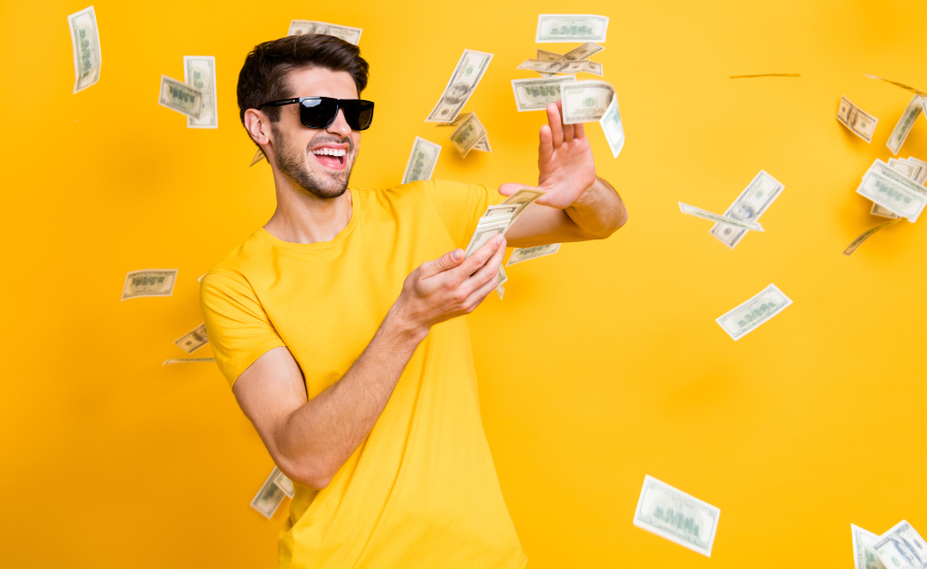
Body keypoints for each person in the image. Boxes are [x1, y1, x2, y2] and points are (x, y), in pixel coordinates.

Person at [201, 33, 628, 568]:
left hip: (480, 554)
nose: (340, 127)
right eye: (315, 109)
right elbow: (304, 457)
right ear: (260, 126)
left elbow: (597, 224)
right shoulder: (235, 285)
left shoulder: (429, 209)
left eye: (353, 112)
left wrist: (583, 190)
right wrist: (408, 320)